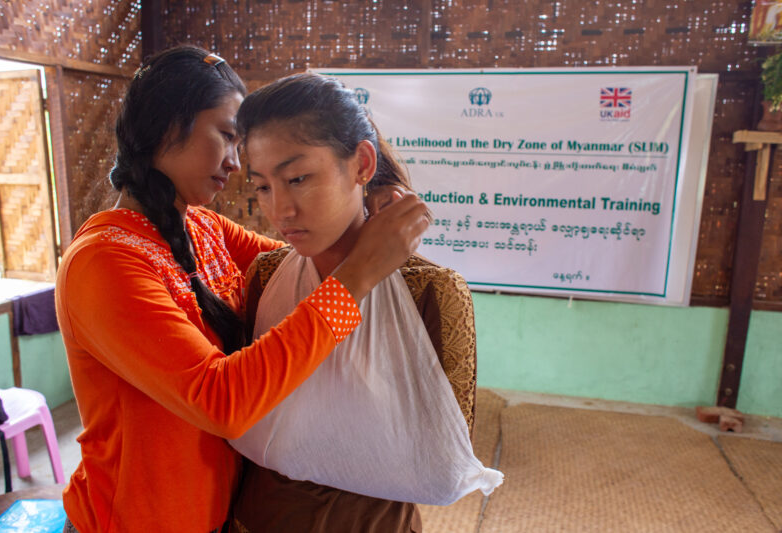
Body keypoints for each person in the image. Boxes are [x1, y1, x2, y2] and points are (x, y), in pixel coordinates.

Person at [54, 46, 428, 533]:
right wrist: (358, 275)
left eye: (296, 178)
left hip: (219, 514)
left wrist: (364, 196)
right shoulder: (103, 262)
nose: (233, 163)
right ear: (167, 126)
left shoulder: (203, 229)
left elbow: (307, 261)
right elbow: (221, 401)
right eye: (226, 136)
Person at [230, 72, 481, 533]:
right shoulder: (265, 277)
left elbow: (443, 463)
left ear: (362, 164)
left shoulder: (430, 292)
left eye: (298, 178)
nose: (280, 210)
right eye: (263, 186)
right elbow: (238, 404)